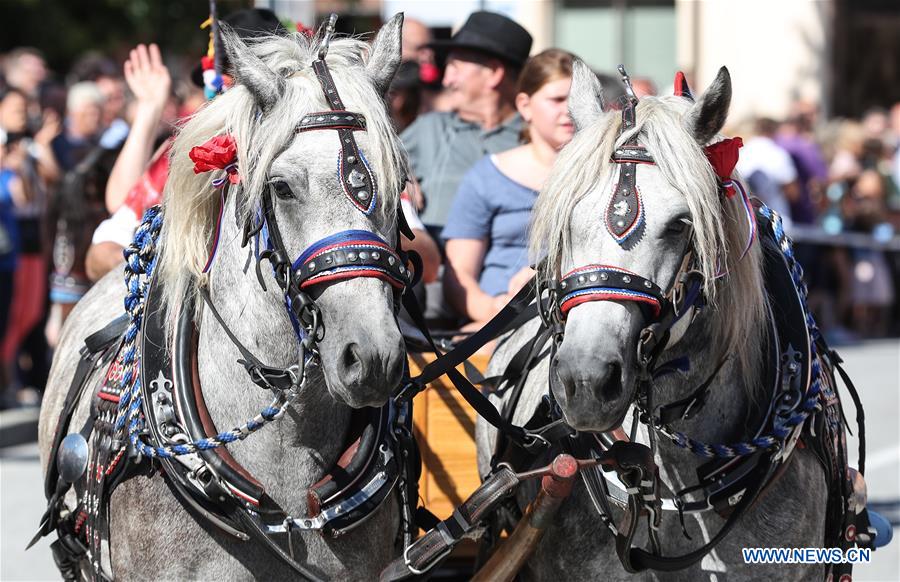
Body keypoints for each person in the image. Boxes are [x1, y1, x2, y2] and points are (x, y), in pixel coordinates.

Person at [84, 10, 440, 286]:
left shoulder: (334, 149)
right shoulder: (196, 152)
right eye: (233, 80)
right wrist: (166, 269)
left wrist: (347, 246)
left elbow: (426, 256)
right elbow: (102, 250)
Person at [442, 49, 574, 328]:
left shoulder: (602, 176)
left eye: (576, 100)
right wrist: (494, 309)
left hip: (575, 316)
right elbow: (458, 275)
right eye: (557, 99)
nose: (569, 110)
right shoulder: (487, 176)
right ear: (525, 105)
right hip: (500, 320)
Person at [401, 11, 533, 236]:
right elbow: (368, 157)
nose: (446, 80)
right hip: (436, 266)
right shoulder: (430, 129)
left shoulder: (532, 137)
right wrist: (399, 174)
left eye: (454, 67)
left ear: (493, 73)